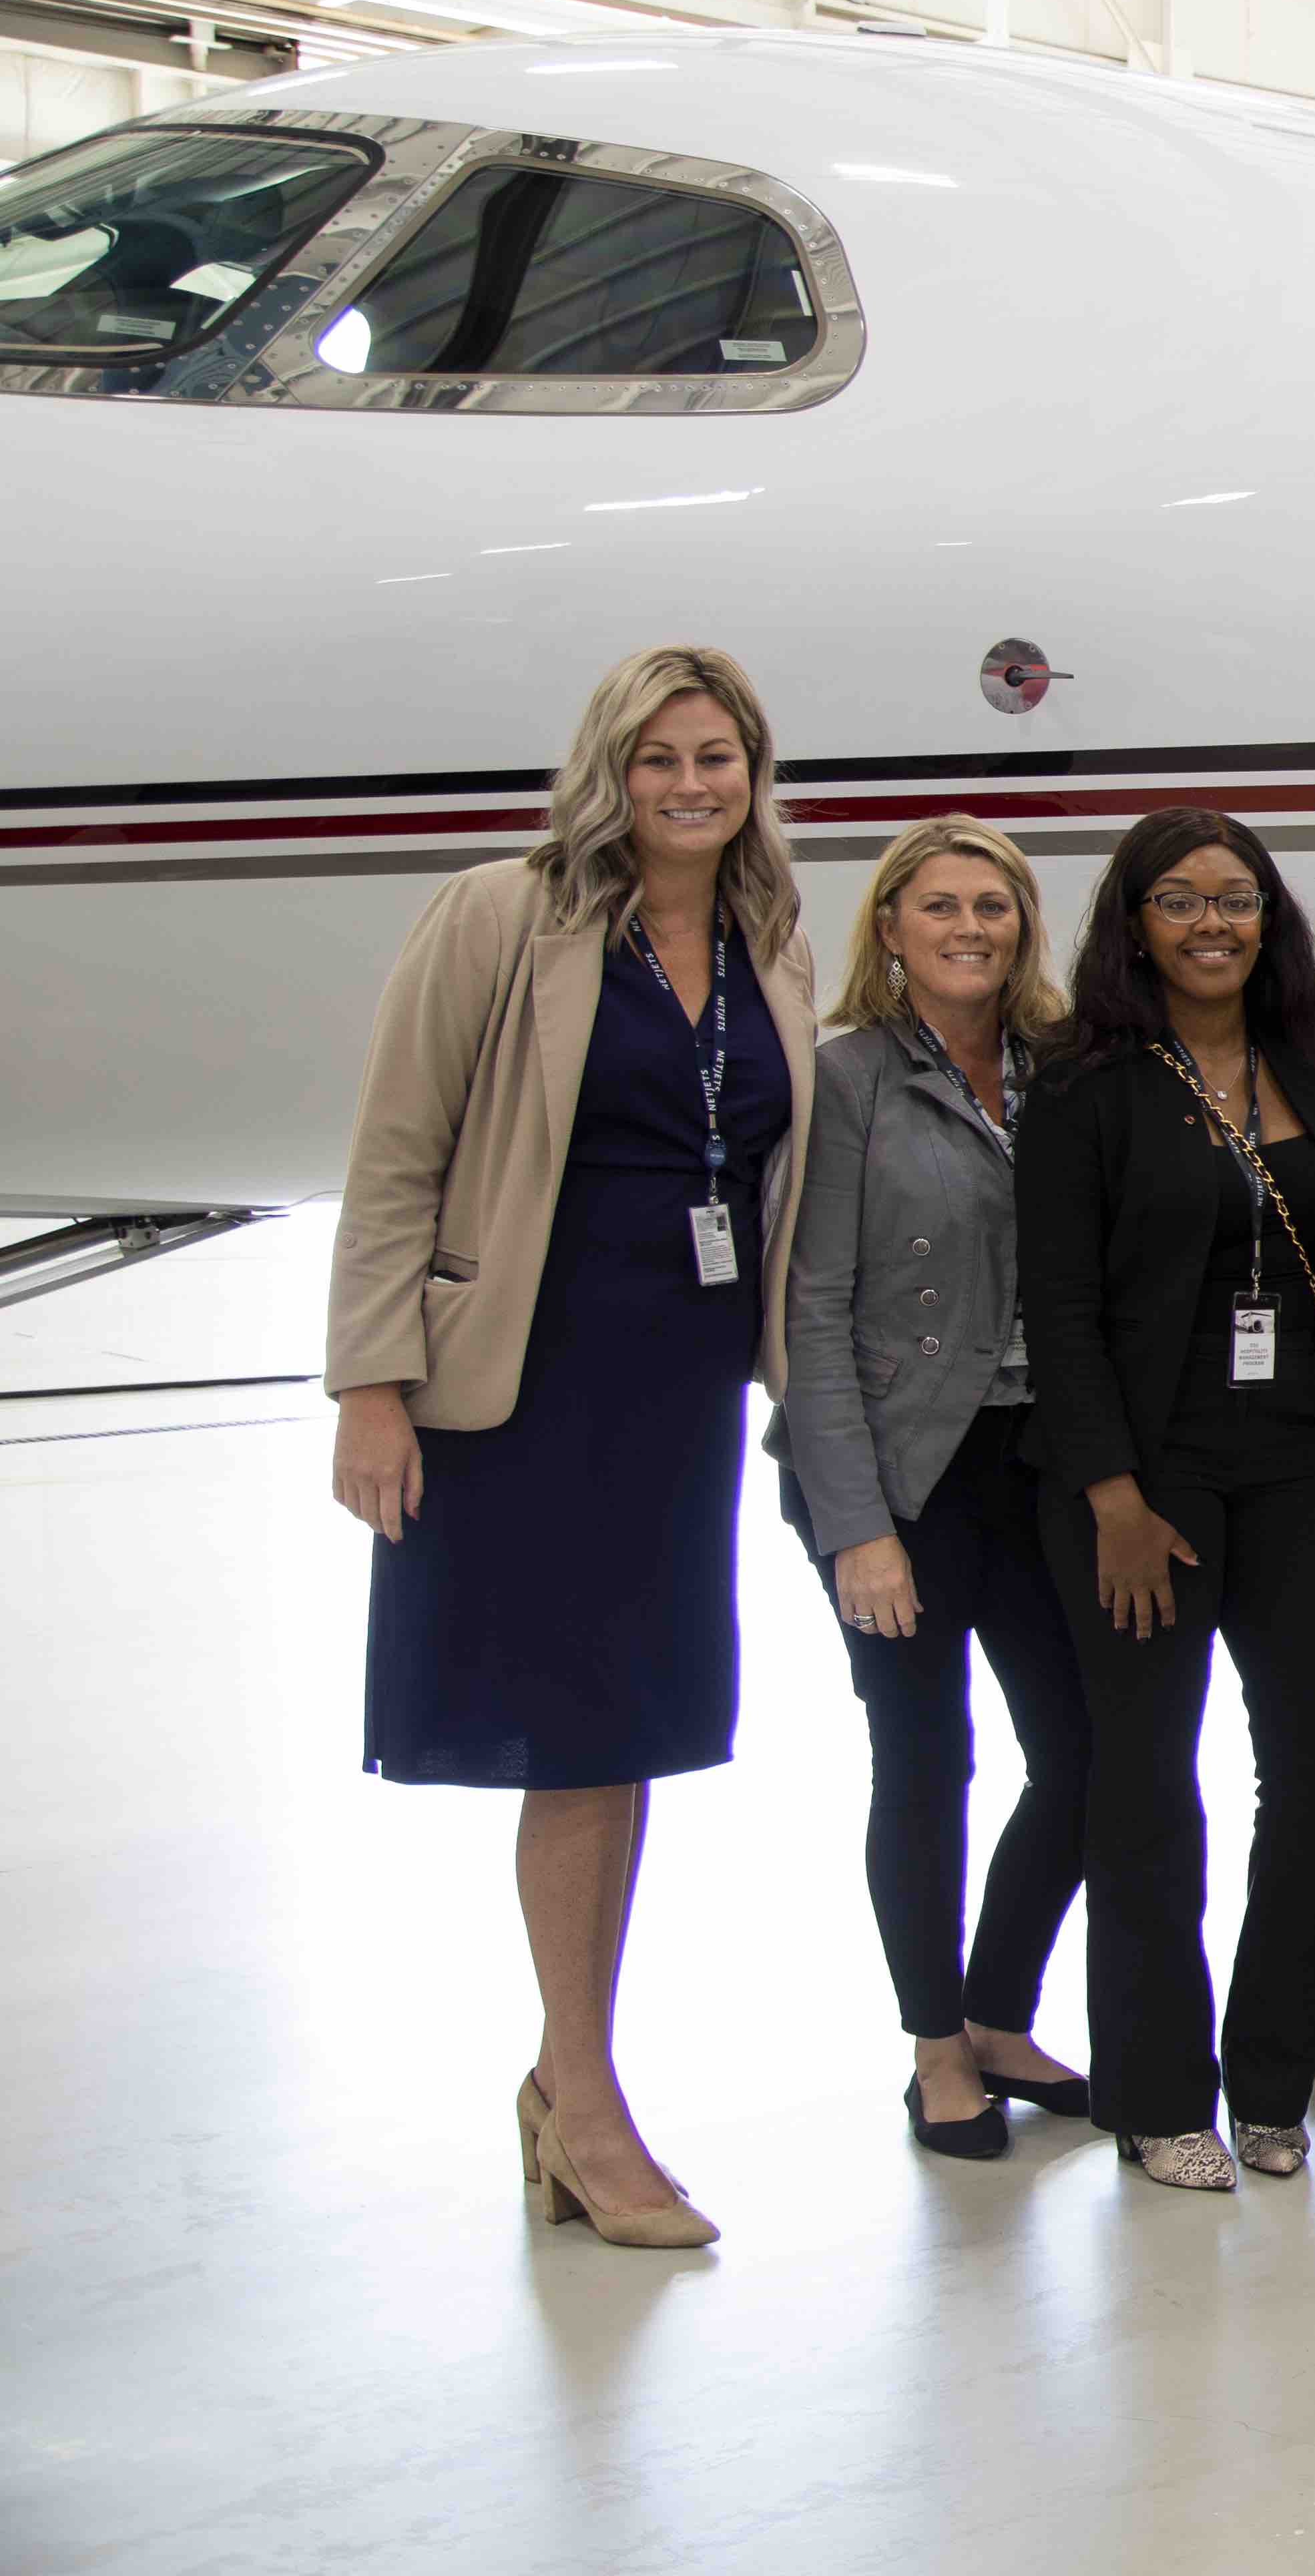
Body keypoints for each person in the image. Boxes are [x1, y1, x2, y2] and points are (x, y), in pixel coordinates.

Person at [329, 644, 818, 2251]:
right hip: (520, 1393)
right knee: (572, 1744)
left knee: (629, 1734)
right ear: (608, 769)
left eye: (718, 757)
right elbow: (398, 1150)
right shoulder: (502, 914)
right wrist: (371, 1384)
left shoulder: (769, 937)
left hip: (677, 1402)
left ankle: (568, 2086)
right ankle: (585, 2100)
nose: (690, 785)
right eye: (659, 757)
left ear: (753, 772)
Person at [1019, 810, 1315, 2193]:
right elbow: (1056, 1306)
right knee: (1144, 1792)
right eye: (1179, 901)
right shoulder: (1081, 1082)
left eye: (1236, 898)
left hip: (1303, 1466)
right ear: (1133, 923)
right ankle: (1160, 2089)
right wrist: (1110, 1491)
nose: (1212, 924)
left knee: (1311, 1779)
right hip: (1144, 1485)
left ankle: (1275, 2077)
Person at [774, 814, 1091, 2163]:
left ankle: (999, 2010)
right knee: (926, 1761)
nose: (971, 927)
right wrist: (859, 1530)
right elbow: (813, 1309)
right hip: (907, 1469)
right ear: (891, 928)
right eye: (942, 906)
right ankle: (934, 2050)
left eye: (996, 907)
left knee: (1081, 1756)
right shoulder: (843, 1079)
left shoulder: (1063, 1071)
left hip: (1040, 1463)